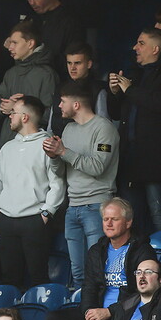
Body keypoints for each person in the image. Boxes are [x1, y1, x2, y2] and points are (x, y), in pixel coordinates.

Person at [107, 28, 161, 233]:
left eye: (141, 43)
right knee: (131, 219)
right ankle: (140, 264)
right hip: (130, 159)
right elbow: (116, 114)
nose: (135, 47)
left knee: (159, 215)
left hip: (156, 160)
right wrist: (116, 93)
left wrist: (131, 90)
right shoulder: (135, 74)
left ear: (156, 49)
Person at [42, 82, 119, 288]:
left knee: (97, 272)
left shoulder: (104, 128)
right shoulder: (68, 129)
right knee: (77, 274)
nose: (58, 106)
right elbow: (60, 172)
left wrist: (64, 152)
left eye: (62, 101)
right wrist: (54, 157)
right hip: (73, 206)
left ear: (76, 104)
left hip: (97, 206)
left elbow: (97, 167)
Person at [47, 198, 156, 320]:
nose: (109, 224)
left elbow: (144, 293)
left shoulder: (142, 251)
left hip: (127, 313)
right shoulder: (97, 251)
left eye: (114, 219)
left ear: (128, 222)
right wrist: (88, 312)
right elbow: (89, 286)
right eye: (106, 219)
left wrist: (110, 311)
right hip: (98, 311)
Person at [0, 96, 64, 289]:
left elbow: (57, 183)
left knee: (38, 278)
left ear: (25, 117)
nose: (10, 117)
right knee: (9, 280)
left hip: (35, 221)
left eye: (13, 112)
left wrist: (46, 213)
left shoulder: (47, 144)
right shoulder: (7, 147)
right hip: (6, 220)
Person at [0, 21, 59, 145]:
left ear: (30, 43)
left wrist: (17, 109)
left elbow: (52, 115)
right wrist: (4, 107)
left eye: (14, 43)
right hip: (8, 144)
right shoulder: (11, 73)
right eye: (10, 43)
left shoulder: (47, 74)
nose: (10, 47)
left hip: (35, 145)